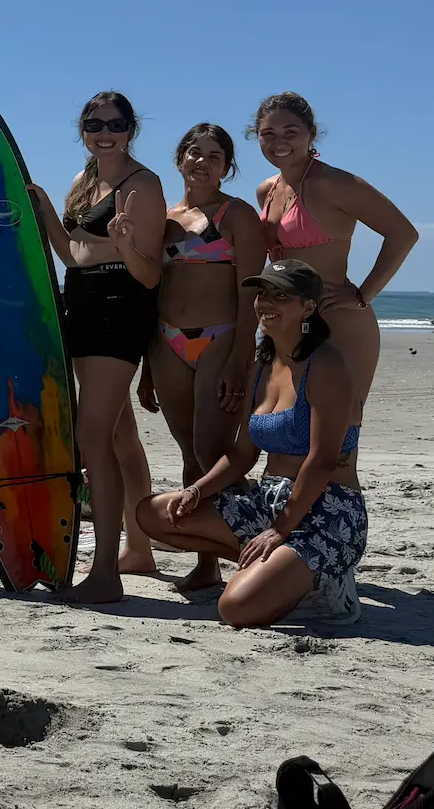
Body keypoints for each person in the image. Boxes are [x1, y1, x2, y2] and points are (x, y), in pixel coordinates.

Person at [137, 260, 366, 628]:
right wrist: (198, 489)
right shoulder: (261, 365)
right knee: (154, 513)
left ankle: (323, 583)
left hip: (326, 512)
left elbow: (322, 461)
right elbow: (243, 452)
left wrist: (280, 530)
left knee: (236, 608)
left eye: (281, 296)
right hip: (267, 503)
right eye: (262, 294)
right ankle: (282, 574)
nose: (266, 303)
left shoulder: (327, 365)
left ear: (308, 307)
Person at [29, 91, 166, 604]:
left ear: (132, 128)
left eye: (115, 123)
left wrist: (128, 244)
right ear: (82, 128)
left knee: (92, 437)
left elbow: (150, 275)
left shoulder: (143, 185)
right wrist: (42, 206)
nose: (104, 131)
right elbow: (72, 253)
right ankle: (139, 550)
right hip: (80, 303)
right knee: (121, 436)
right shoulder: (83, 182)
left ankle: (105, 571)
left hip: (118, 307)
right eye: (94, 123)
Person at [137, 124, 266, 591]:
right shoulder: (166, 218)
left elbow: (251, 292)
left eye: (215, 156)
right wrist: (148, 367)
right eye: (194, 152)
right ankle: (208, 564)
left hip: (221, 340)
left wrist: (239, 359)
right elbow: (156, 289)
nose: (203, 162)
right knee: (190, 453)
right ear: (179, 160)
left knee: (212, 454)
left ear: (227, 166)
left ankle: (263, 541)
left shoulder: (238, 216)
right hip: (166, 342)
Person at [251, 92, 418, 407]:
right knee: (286, 431)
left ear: (311, 133)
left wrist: (363, 295)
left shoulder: (335, 184)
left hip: (337, 321)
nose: (279, 142)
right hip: (283, 323)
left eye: (291, 132)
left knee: (340, 436)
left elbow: (403, 233)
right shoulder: (267, 191)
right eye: (268, 134)